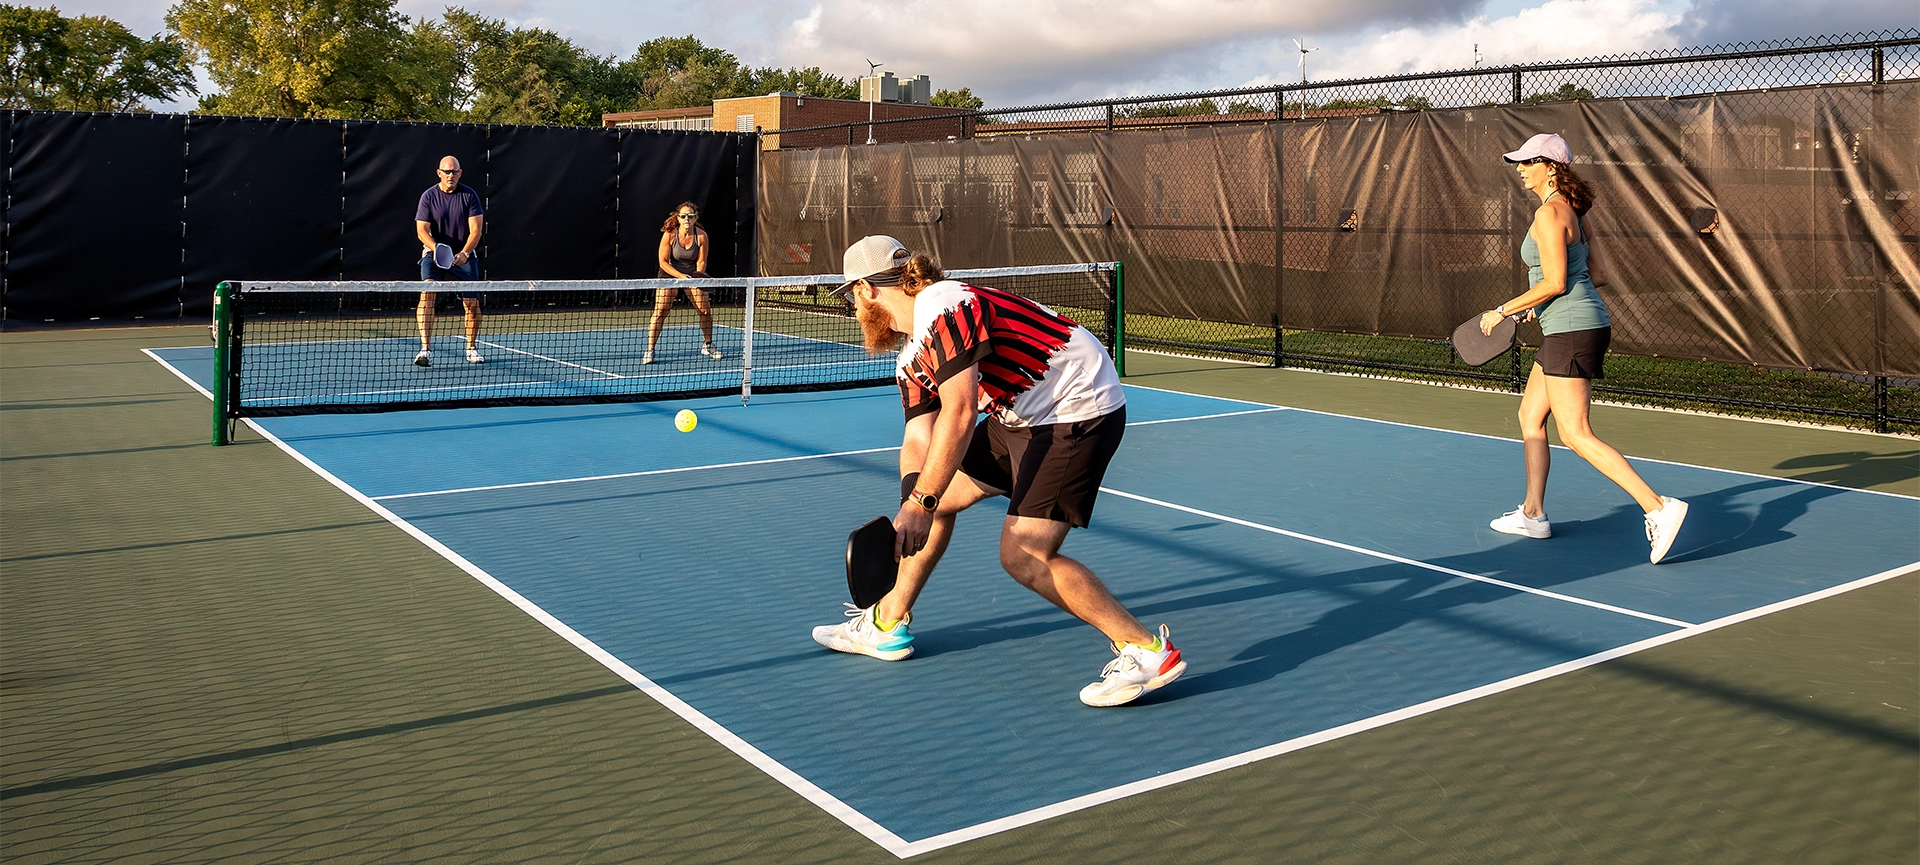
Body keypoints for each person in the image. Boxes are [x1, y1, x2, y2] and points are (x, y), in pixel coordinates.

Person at [809, 236, 1186, 707]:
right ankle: (886, 625)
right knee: (936, 494)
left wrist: (922, 503)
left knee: (1024, 554)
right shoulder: (911, 356)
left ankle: (1147, 652)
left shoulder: (944, 306)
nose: (855, 310)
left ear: (865, 290)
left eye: (849, 298)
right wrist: (916, 499)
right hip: (1023, 414)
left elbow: (962, 412)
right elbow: (919, 439)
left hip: (1076, 409)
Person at [1480, 133, 1688, 564]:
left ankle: (1659, 507)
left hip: (1573, 331)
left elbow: (1555, 281)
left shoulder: (1549, 214)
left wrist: (1503, 310)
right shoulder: (1576, 212)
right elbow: (1599, 274)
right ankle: (1533, 514)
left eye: (1527, 162)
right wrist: (1544, 306)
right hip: (1574, 325)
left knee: (1575, 432)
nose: (1519, 169)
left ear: (1551, 167)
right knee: (1530, 415)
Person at [414, 155, 485, 366]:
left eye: (454, 172)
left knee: (471, 303)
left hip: (463, 256)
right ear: (439, 173)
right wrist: (439, 249)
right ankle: (425, 349)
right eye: (447, 172)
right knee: (427, 295)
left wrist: (463, 253)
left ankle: (471, 348)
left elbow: (476, 230)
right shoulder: (428, 196)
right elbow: (421, 231)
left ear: (460, 173)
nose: (450, 175)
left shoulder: (470, 196)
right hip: (433, 254)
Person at [644, 202, 722, 365]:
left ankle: (708, 345)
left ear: (695, 218)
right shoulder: (669, 234)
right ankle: (650, 350)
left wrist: (697, 276)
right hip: (669, 273)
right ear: (678, 218)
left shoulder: (701, 236)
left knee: (705, 311)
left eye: (691, 216)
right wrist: (680, 276)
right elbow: (663, 262)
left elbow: (701, 261)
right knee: (660, 311)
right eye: (684, 216)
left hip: (691, 274)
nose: (687, 219)